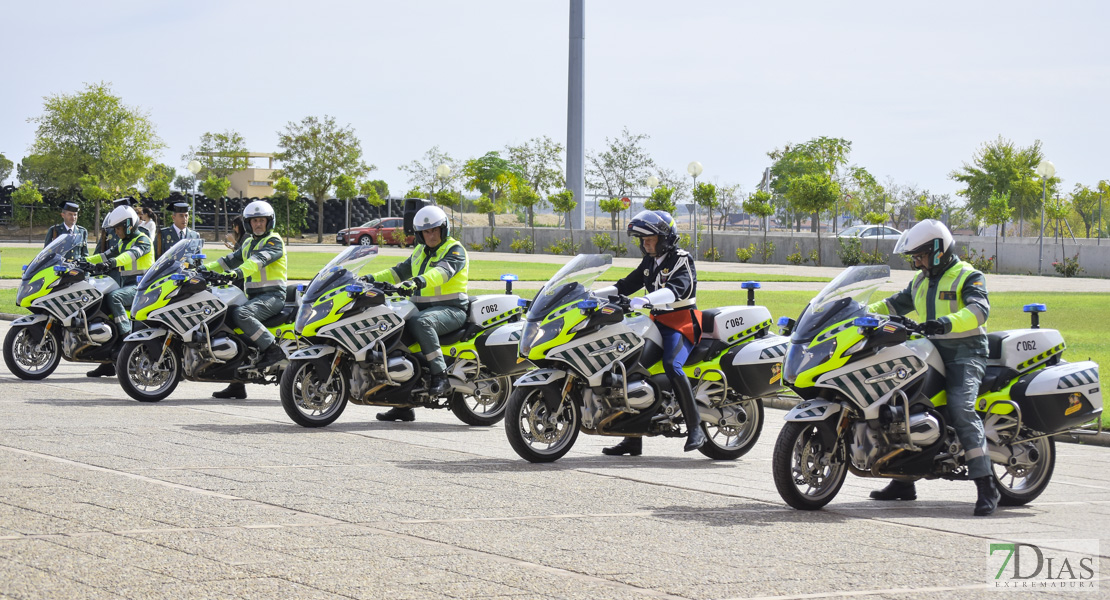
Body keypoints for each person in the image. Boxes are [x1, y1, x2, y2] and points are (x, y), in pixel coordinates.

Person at [866, 219, 1000, 517]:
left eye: (920, 255)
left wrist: (944, 324)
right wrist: (856, 312)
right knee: (898, 404)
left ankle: (985, 483)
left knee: (961, 408)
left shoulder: (968, 275)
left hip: (965, 353)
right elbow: (892, 305)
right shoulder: (920, 280)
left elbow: (979, 311)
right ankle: (903, 481)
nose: (916, 261)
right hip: (928, 350)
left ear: (938, 250)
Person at [594, 210, 706, 455]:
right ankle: (632, 438)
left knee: (672, 365)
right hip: (655, 323)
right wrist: (591, 295)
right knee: (628, 367)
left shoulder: (681, 259)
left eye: (650, 239)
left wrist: (644, 299)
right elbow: (624, 285)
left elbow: (677, 291)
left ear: (665, 237)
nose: (645, 244)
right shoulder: (650, 261)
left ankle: (696, 427)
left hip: (681, 323)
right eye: (642, 240)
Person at [365, 205, 468, 422]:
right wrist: (369, 279)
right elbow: (397, 271)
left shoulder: (455, 250)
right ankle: (401, 403)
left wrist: (417, 281)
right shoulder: (419, 251)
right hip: (420, 308)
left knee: (422, 323)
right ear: (420, 234)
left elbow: (441, 273)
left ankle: (440, 376)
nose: (431, 235)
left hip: (452, 310)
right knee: (392, 329)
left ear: (444, 229)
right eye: (426, 232)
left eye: (435, 230)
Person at [205, 201, 288, 400]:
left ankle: (272, 349)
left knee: (241, 313)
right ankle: (236, 383)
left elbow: (256, 262)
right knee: (225, 318)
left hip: (273, 296)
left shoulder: (274, 241)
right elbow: (227, 261)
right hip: (254, 297)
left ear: (269, 222)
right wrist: (201, 269)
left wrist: (236, 274)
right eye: (254, 221)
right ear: (248, 224)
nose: (258, 224)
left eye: (261, 220)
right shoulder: (249, 242)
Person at [84, 205, 153, 378]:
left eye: (118, 228)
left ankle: (125, 337)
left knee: (114, 298)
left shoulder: (142, 240)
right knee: (102, 301)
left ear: (129, 225)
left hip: (142, 288)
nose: (116, 232)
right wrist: (81, 261)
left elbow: (130, 255)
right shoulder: (123, 242)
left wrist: (111, 264)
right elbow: (104, 255)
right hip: (128, 286)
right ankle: (107, 362)